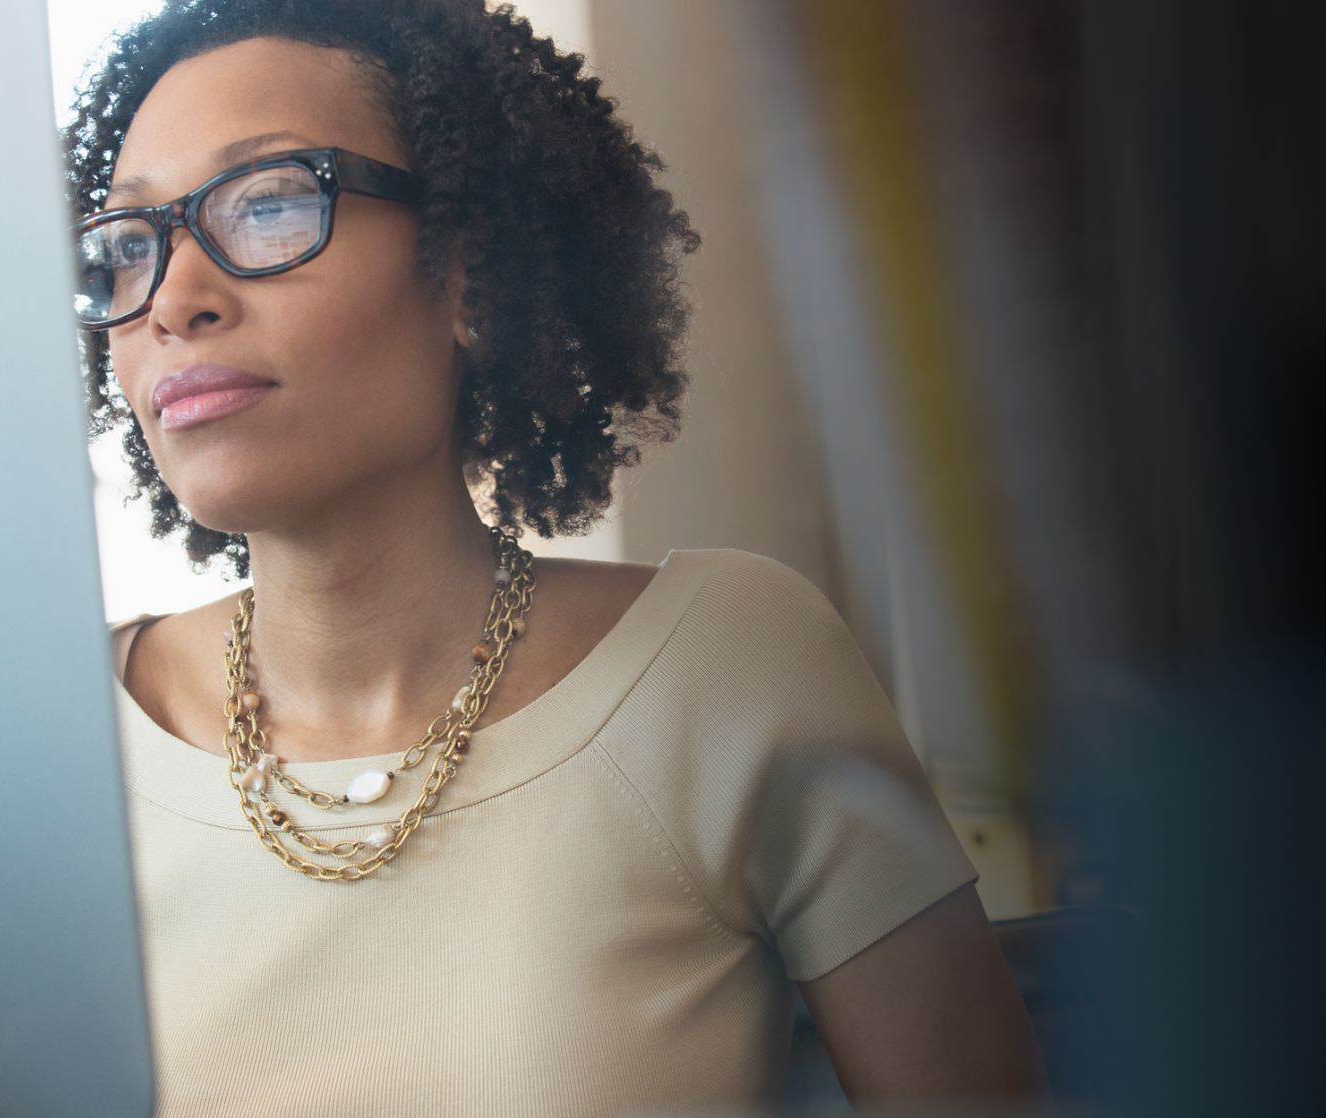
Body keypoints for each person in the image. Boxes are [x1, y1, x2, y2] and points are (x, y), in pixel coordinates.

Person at [60, 1, 1050, 1113]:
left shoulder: (725, 666)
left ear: (471, 278)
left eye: (273, 203)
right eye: (130, 244)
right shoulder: (57, 747)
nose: (175, 300)